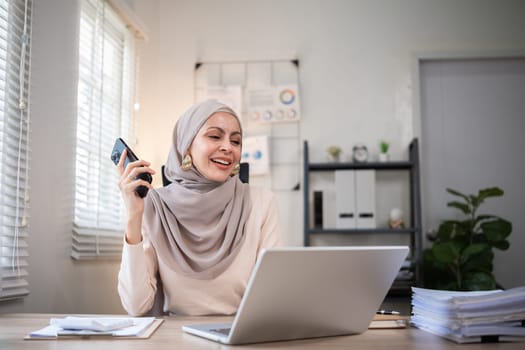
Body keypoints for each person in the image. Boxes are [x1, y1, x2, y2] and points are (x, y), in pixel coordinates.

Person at [116, 99, 283, 316]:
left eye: (236, 141)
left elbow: (272, 295)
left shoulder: (261, 202)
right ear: (186, 146)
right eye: (214, 136)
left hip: (240, 336)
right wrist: (133, 216)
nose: (228, 148)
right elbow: (136, 306)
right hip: (174, 339)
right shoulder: (152, 205)